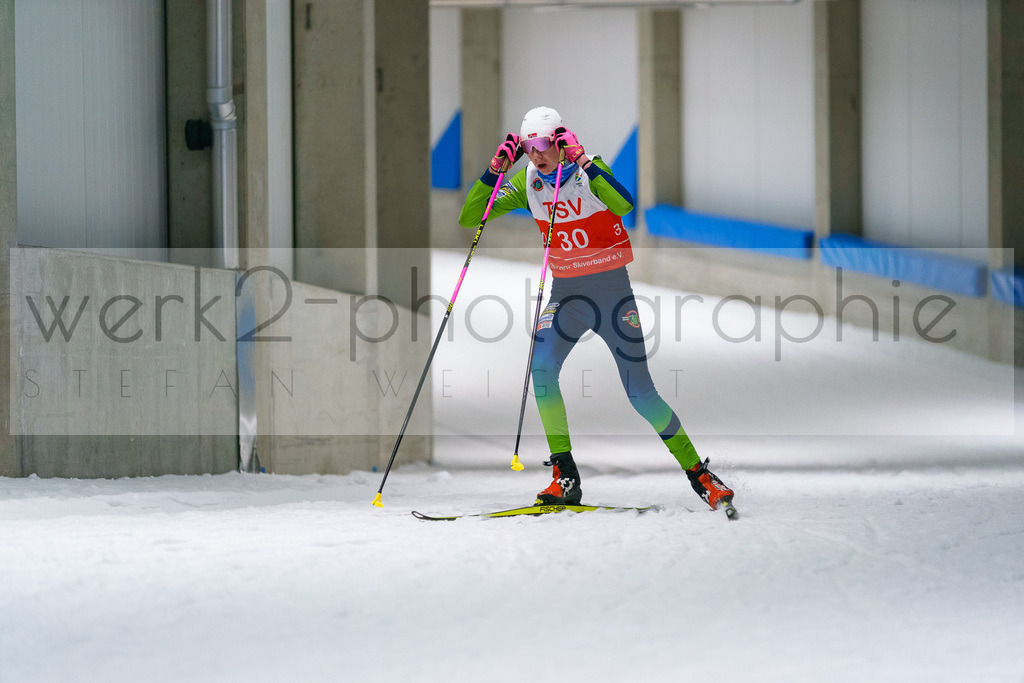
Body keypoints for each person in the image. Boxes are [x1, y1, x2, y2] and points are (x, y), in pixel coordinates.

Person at [458, 106, 734, 512]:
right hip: (566, 296)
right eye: (527, 146)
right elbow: (470, 216)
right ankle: (565, 476)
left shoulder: (590, 171)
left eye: (543, 145)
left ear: (560, 141)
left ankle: (701, 476)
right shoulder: (527, 181)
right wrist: (494, 170)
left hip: (611, 295)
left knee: (641, 394)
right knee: (542, 367)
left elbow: (624, 206)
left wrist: (583, 159)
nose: (536, 154)